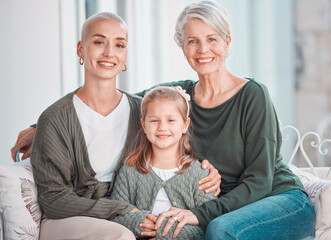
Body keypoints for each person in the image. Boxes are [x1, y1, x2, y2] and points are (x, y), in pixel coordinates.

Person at [26, 11, 220, 240]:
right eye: (99, 42)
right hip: (71, 219)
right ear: (80, 49)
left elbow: (176, 134)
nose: (109, 52)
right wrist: (121, 209)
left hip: (132, 216)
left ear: (125, 55)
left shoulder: (143, 112)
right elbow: (54, 201)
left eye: (119, 45)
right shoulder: (55, 119)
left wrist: (209, 172)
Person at [134, 1, 314, 239]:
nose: (202, 50)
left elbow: (260, 181)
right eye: (192, 41)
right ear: (183, 47)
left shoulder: (253, 95)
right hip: (227, 210)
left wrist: (199, 213)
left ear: (227, 41)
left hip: (280, 202)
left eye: (212, 39)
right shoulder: (179, 99)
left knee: (219, 229)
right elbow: (125, 102)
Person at [109, 86, 216, 240]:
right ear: (144, 125)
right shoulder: (129, 171)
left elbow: (207, 227)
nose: (162, 127)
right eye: (154, 120)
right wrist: (141, 222)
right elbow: (115, 216)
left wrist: (163, 232)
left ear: (185, 125)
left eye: (171, 120)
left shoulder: (200, 175)